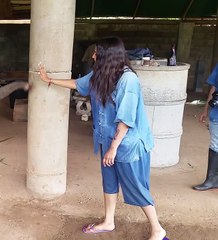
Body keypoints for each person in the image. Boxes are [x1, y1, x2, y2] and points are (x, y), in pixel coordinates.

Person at [39, 37, 167, 240]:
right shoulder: (100, 74)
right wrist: (49, 80)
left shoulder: (128, 80)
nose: (92, 55)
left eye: (96, 52)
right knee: (109, 182)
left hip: (128, 145)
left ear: (107, 55)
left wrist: (113, 148)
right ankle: (109, 221)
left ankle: (158, 229)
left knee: (136, 186)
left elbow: (125, 120)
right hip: (107, 140)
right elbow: (78, 84)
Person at [194, 63, 218, 191]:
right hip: (216, 114)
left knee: (216, 145)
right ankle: (212, 179)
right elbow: (214, 88)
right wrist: (205, 109)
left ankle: (212, 180)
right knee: (215, 145)